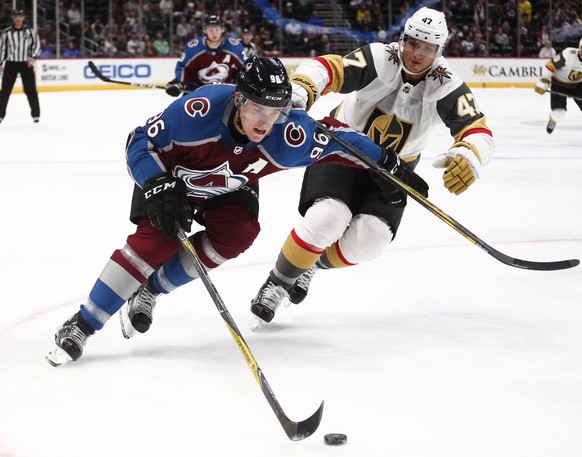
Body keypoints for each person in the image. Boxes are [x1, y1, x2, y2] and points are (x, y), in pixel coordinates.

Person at [45, 56, 428, 367]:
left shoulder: (288, 134)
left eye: (275, 111)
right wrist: (156, 184)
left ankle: (152, 289)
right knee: (152, 245)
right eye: (258, 109)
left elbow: (341, 139)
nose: (265, 121)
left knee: (240, 232)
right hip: (171, 184)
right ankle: (82, 324)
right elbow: (139, 142)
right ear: (240, 99)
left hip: (229, 187)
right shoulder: (197, 111)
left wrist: (389, 165)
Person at [248, 6, 495, 326]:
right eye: (412, 43)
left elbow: (477, 129)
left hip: (395, 168)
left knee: (370, 240)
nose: (417, 53)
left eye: (428, 47)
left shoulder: (446, 84)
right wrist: (303, 87)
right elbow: (330, 68)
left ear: (439, 50)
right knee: (328, 216)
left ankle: (310, 265)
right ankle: (278, 283)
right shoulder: (381, 58)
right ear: (402, 39)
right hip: (343, 148)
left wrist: (470, 154)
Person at [165, 15, 245, 97]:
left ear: (222, 30)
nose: (214, 33)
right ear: (205, 30)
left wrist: (243, 82)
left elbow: (245, 68)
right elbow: (183, 68)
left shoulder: (233, 47)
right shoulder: (194, 47)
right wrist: (178, 83)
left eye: (217, 29)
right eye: (211, 30)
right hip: (197, 91)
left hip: (224, 91)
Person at [0, 8, 41, 124]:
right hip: (11, 63)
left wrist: (33, 57)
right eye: (16, 16)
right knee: (5, 91)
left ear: (23, 18)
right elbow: (2, 48)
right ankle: (0, 114)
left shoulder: (30, 31)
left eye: (20, 16)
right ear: (13, 18)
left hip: (25, 63)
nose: (18, 19)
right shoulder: (7, 32)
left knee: (31, 90)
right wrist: (0, 63)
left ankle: (36, 115)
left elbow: (36, 45)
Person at [535, 38, 582, 134]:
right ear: (579, 47)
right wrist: (544, 81)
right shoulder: (568, 54)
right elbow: (550, 66)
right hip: (559, 84)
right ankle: (553, 120)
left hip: (578, 86)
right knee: (558, 113)